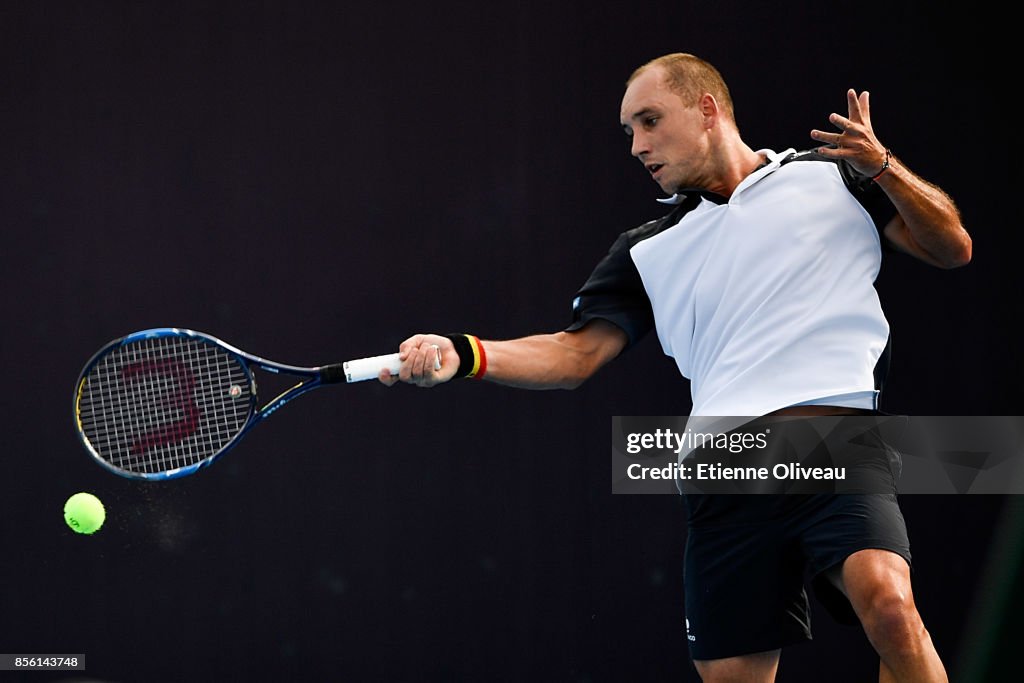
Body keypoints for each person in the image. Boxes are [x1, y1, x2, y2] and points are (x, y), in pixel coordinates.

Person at [381, 53, 970, 682]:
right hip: (723, 474)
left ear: (707, 110)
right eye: (629, 131)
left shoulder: (836, 178)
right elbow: (575, 354)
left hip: (835, 446)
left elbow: (951, 246)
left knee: (889, 604)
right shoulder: (646, 249)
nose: (637, 146)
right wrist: (465, 353)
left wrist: (883, 168)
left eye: (650, 121)